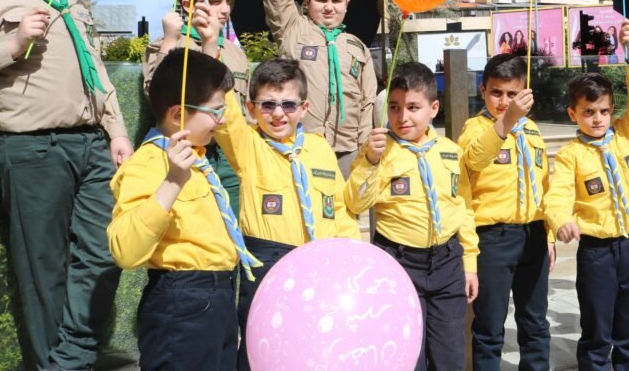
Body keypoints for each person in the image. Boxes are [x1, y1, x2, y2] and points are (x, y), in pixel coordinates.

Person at [0, 0, 130, 370]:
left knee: (104, 251)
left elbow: (96, 68)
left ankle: (69, 360)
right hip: (31, 148)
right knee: (42, 268)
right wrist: (13, 43)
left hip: (92, 144)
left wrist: (116, 130)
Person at [209, 50, 361, 370]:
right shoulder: (249, 145)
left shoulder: (319, 148)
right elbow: (225, 113)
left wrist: (351, 260)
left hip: (321, 265)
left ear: (304, 108)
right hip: (268, 266)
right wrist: (212, 45)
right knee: (264, 353)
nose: (278, 114)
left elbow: (339, 208)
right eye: (267, 105)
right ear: (251, 108)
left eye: (288, 105)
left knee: (315, 350)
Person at [107, 50, 246, 369]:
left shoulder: (198, 158)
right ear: (178, 114)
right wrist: (171, 182)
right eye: (215, 110)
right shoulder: (148, 163)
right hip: (182, 303)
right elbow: (125, 250)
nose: (223, 119)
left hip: (218, 297)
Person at [345, 62, 479, 371]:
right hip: (399, 261)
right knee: (408, 355)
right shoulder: (379, 150)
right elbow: (355, 201)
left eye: (413, 107)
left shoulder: (450, 151)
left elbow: (463, 208)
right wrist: (370, 161)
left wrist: (469, 263)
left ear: (433, 108)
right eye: (394, 107)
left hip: (447, 261)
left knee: (449, 355)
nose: (402, 116)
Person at [543, 22, 629, 371]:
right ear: (572, 114)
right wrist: (561, 221)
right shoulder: (570, 155)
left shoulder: (627, 136)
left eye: (604, 111)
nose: (598, 119)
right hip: (598, 253)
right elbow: (558, 194)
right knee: (598, 327)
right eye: (588, 112)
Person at [252, 0, 376, 178]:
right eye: (321, 0)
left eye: (336, 1)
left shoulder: (358, 48)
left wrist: (365, 151)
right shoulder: (292, 30)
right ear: (307, 3)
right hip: (302, 145)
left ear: (346, 5)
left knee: (347, 205)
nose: (329, 7)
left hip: (348, 152)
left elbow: (368, 104)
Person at [457, 54, 553, 370]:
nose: (503, 101)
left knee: (535, 322)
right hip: (494, 238)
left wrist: (550, 234)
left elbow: (545, 185)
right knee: (489, 326)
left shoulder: (533, 131)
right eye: (496, 92)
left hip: (534, 233)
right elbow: (475, 159)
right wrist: (507, 121)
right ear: (483, 90)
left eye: (512, 94)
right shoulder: (475, 128)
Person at [143, 0, 248, 211]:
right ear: (189, 5)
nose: (225, 9)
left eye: (228, 1)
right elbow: (154, 94)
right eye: (216, 2)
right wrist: (169, 41)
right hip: (184, 153)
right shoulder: (170, 43)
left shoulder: (235, 52)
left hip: (229, 155)